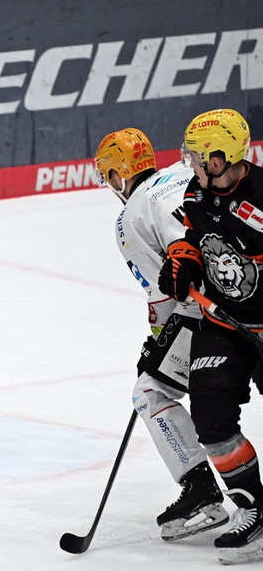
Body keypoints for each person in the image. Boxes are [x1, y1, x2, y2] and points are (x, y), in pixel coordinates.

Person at [94, 128, 228, 541]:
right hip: (244, 289)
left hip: (208, 313)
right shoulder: (184, 173)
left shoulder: (129, 216)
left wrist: (157, 340)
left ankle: (201, 490)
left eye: (109, 176)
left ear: (119, 174)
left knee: (149, 391)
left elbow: (164, 292)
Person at [158, 108, 263, 565]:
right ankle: (255, 508)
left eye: (197, 157)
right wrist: (183, 260)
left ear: (219, 159)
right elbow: (191, 235)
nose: (191, 165)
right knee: (211, 417)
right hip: (223, 326)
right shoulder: (196, 192)